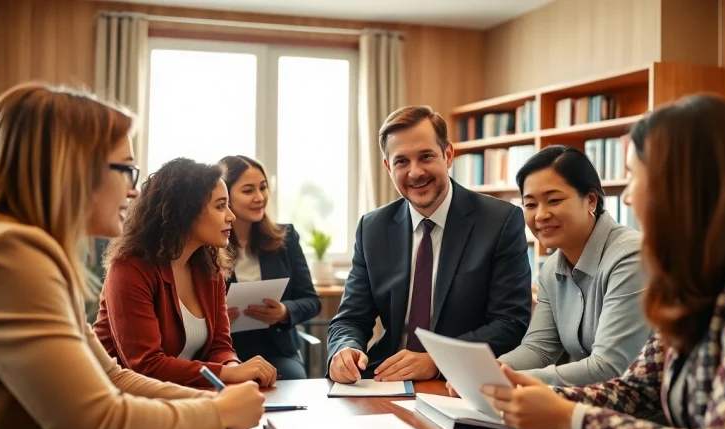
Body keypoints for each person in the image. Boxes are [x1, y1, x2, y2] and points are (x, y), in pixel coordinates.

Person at [477, 94, 725, 429]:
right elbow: (637, 388)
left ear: (682, 180)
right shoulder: (692, 273)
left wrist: (568, 416)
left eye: (634, 175)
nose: (629, 195)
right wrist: (541, 397)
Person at [0, 83, 265, 429]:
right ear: (72, 169)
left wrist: (215, 398)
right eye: (125, 169)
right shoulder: (8, 252)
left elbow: (114, 377)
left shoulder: (12, 246)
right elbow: (97, 423)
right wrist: (218, 412)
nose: (135, 189)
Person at [327, 105, 532, 384]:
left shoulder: (500, 221)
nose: (415, 172)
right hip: (385, 378)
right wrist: (344, 349)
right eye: (401, 161)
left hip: (462, 381)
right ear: (388, 167)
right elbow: (351, 318)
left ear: (448, 154)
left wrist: (437, 361)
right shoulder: (372, 228)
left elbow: (510, 323)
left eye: (426, 156)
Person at [94, 158, 277, 388]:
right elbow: (145, 365)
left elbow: (219, 347)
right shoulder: (129, 268)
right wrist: (226, 374)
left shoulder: (208, 268)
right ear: (185, 212)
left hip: (180, 396)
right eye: (220, 206)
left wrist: (234, 368)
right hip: (120, 400)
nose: (231, 216)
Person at [496, 145, 649, 386]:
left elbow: (609, 367)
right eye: (530, 205)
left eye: (554, 200)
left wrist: (510, 380)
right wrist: (493, 370)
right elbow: (539, 349)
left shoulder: (631, 257)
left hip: (638, 415)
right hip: (586, 404)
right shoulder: (550, 269)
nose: (541, 215)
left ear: (590, 199)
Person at [219, 155, 321, 380]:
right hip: (225, 352)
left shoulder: (286, 238)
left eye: (263, 188)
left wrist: (284, 312)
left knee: (291, 384)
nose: (259, 197)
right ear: (224, 196)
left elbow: (311, 301)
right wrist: (217, 318)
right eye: (248, 190)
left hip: (277, 350)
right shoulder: (208, 245)